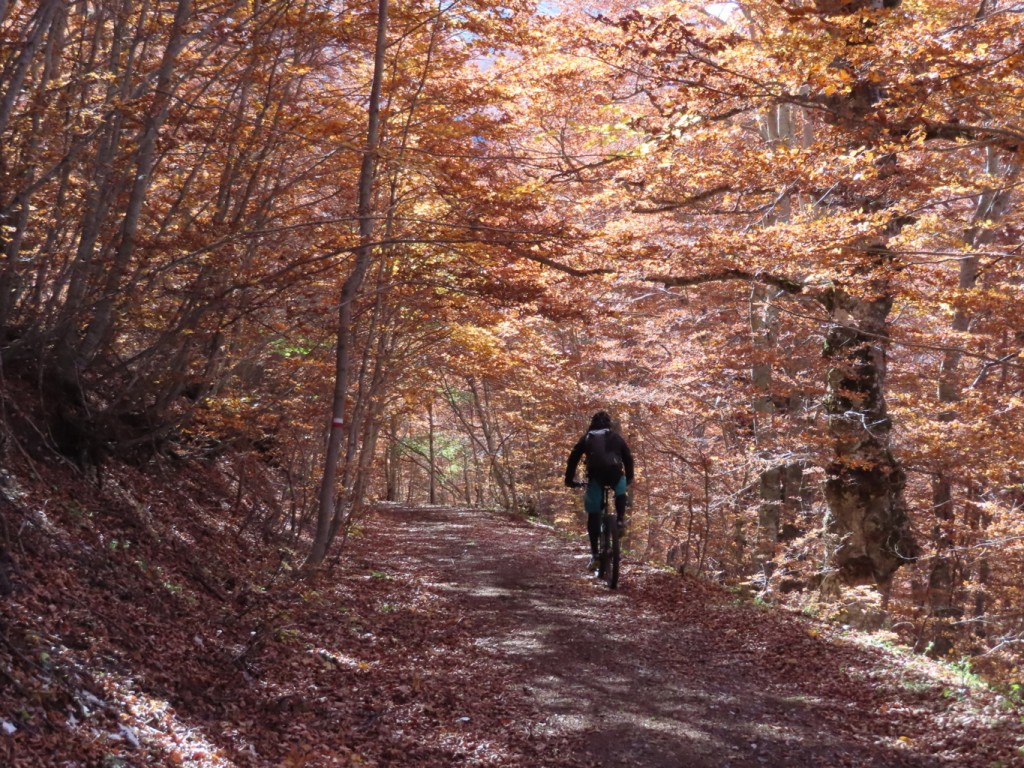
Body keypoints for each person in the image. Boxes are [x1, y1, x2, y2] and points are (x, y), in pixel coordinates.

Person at [564, 411, 634, 572]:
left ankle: (595, 554)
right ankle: (620, 520)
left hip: (596, 476)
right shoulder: (616, 438)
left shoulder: (588, 437)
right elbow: (628, 458)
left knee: (594, 513)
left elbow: (573, 458)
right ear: (609, 424)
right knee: (620, 489)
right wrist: (629, 478)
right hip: (616, 474)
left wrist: (569, 480)